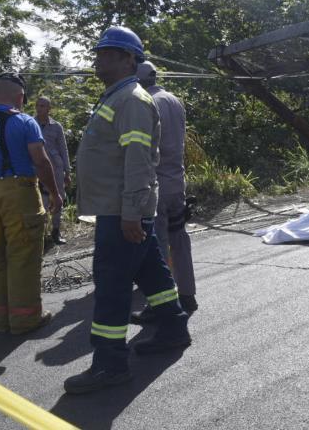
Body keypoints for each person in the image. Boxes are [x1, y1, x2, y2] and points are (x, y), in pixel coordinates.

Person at [64, 26, 190, 395]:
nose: (97, 60)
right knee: (150, 270)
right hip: (120, 209)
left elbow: (138, 161)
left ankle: (110, 365)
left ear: (127, 59)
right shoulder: (115, 96)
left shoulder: (131, 100)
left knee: (112, 286)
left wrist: (132, 212)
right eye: (98, 53)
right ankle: (172, 327)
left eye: (105, 54)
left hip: (122, 211)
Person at [0, 73, 61, 335]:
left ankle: (1, 320)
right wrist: (54, 192)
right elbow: (40, 161)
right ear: (20, 97)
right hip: (19, 191)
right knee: (23, 254)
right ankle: (25, 319)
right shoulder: (24, 121)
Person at [130, 61, 197, 325]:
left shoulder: (145, 103)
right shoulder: (173, 100)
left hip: (156, 185)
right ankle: (188, 294)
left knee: (156, 247)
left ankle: (159, 305)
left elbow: (143, 151)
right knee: (179, 238)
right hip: (176, 182)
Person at [34, 96, 71, 245]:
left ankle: (56, 231)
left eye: (43, 106)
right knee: (39, 201)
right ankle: (40, 234)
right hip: (37, 169)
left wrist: (67, 172)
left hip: (56, 168)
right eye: (38, 105)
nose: (40, 108)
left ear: (49, 109)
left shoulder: (56, 126)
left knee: (58, 200)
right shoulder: (30, 124)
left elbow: (63, 148)